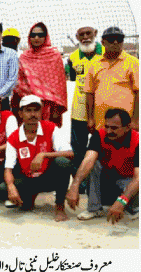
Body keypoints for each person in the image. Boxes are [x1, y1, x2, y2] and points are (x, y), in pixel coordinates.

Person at [0, 95, 73, 222]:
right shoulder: (14, 137)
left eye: (36, 110)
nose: (33, 114)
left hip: (48, 177)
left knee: (63, 162)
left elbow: (70, 153)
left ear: (41, 112)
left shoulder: (50, 128)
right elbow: (8, 169)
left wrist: (44, 155)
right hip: (28, 179)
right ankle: (30, 196)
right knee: (1, 190)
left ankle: (60, 206)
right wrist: (11, 187)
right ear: (20, 113)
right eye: (28, 110)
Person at [67, 109, 138, 223]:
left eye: (114, 128)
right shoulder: (99, 135)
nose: (109, 131)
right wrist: (74, 185)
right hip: (108, 180)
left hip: (128, 182)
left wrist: (122, 201)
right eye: (107, 126)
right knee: (93, 163)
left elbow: (138, 178)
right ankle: (94, 208)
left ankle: (133, 208)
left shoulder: (137, 141)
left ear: (128, 127)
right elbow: (88, 160)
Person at [67, 21, 104, 193]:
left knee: (102, 147)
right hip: (79, 110)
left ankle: (101, 184)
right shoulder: (73, 57)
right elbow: (73, 80)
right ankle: (80, 185)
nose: (85, 37)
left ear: (95, 33)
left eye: (88, 33)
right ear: (77, 37)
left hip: (102, 110)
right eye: (81, 34)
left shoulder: (106, 53)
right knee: (78, 148)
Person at [12, 22, 67, 127]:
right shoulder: (24, 57)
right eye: (33, 35)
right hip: (28, 105)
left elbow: (59, 86)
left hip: (50, 109)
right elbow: (19, 84)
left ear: (46, 37)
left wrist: (56, 110)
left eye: (40, 35)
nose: (36, 38)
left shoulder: (54, 56)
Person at [85, 26, 139, 132]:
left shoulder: (133, 63)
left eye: (119, 39)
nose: (115, 42)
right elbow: (89, 93)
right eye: (111, 39)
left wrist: (136, 120)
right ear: (103, 42)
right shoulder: (94, 64)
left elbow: (138, 92)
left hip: (125, 125)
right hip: (101, 124)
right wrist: (90, 119)